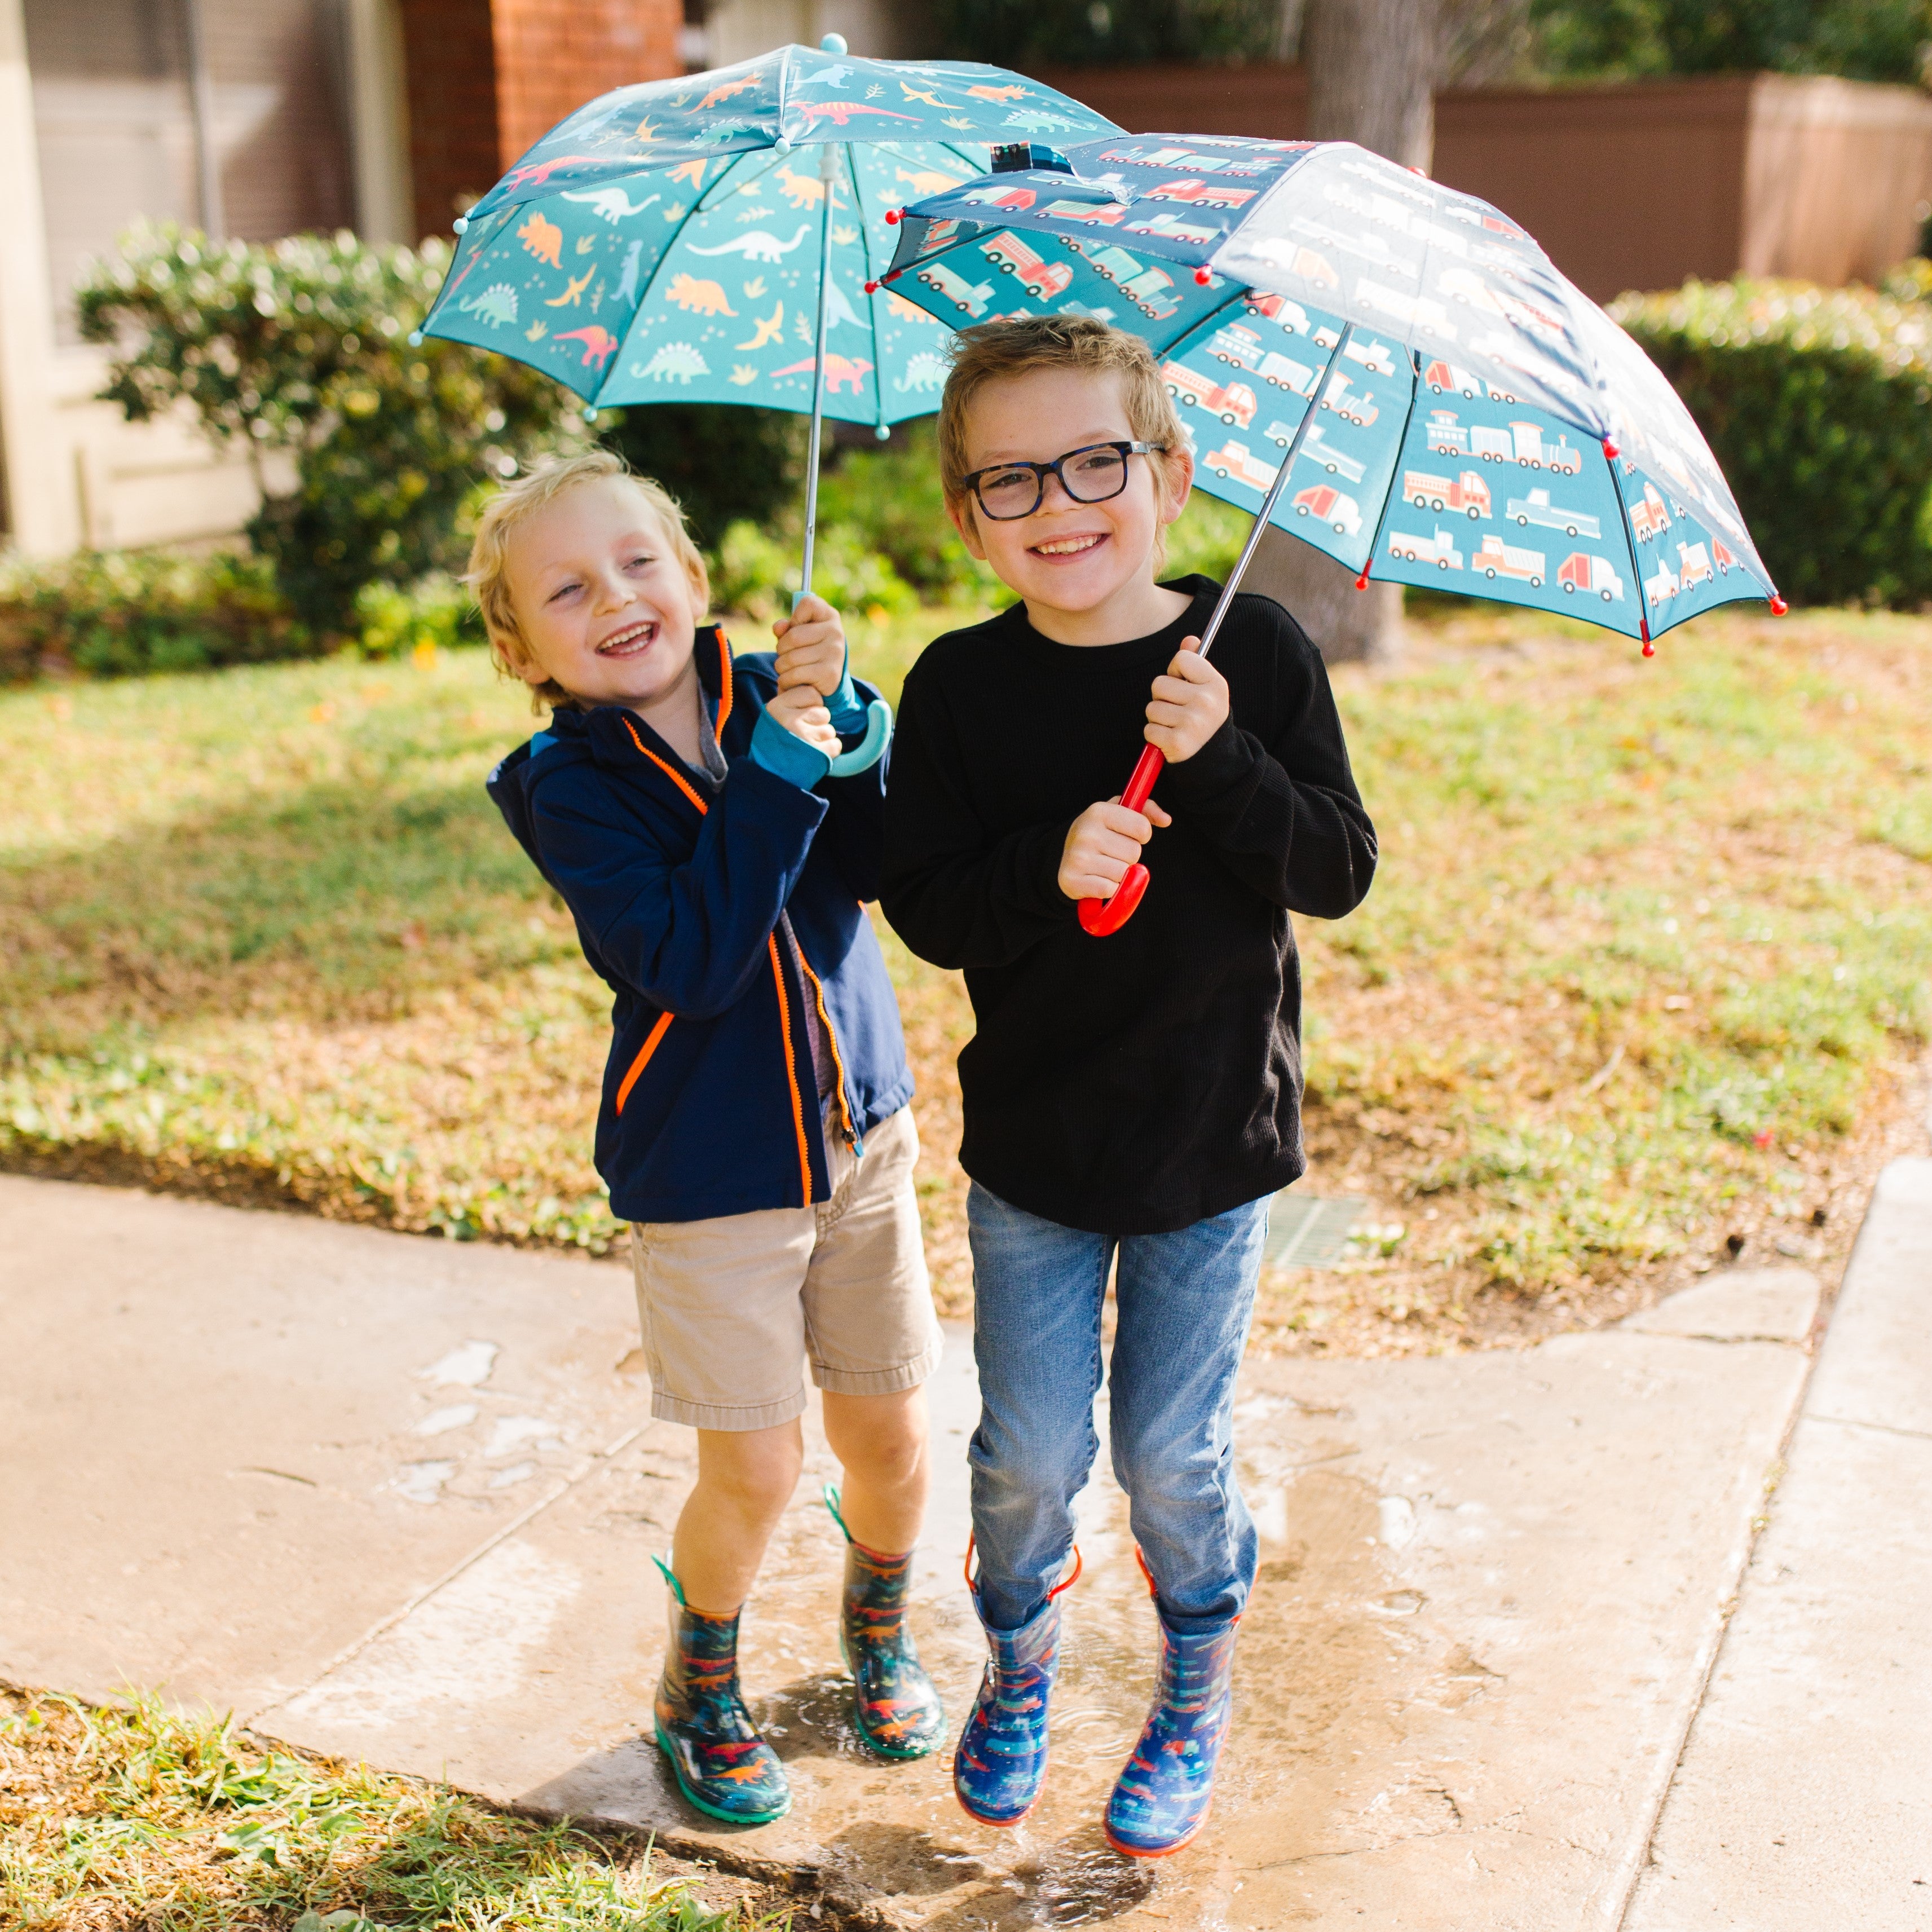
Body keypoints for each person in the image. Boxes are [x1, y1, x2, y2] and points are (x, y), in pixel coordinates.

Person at [879, 317, 1377, 1859]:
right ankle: (1020, 1658)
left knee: (1173, 1455)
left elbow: (1337, 869)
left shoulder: (1253, 653)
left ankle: (1192, 1678)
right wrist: (1046, 861)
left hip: (1208, 1144)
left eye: (1095, 461)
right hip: (1034, 1145)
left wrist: (1221, 758)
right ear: (966, 514)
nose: (1058, 504)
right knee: (1028, 1453)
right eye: (1010, 479)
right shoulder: (959, 686)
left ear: (1165, 474)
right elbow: (931, 903)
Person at [473, 451, 944, 1827]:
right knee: (757, 1462)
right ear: (526, 648)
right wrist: (780, 773)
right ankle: (703, 1677)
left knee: (892, 1435)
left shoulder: (770, 704)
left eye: (636, 563)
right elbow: (690, 958)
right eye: (566, 590)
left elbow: (876, 864)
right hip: (710, 1175)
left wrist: (849, 727)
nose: (613, 597)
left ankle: (877, 1628)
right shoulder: (570, 788)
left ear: (691, 577)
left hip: (863, 1135)